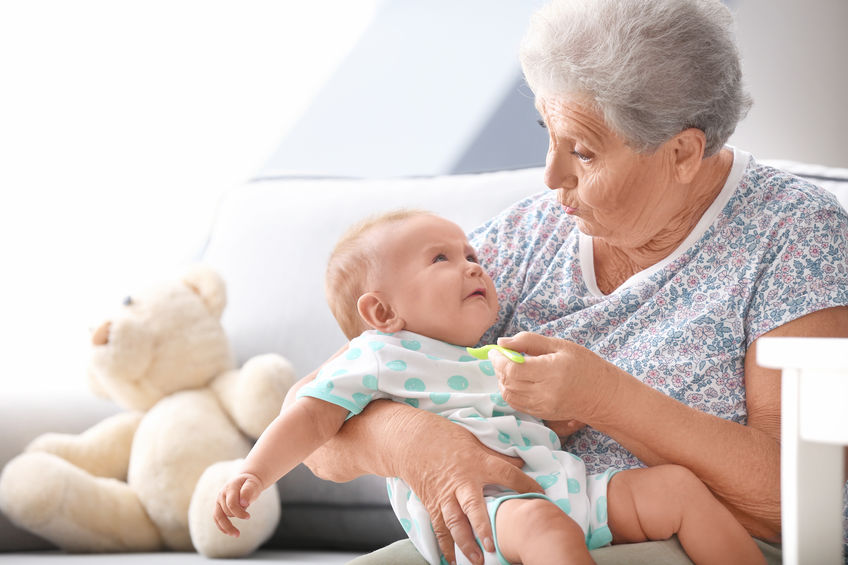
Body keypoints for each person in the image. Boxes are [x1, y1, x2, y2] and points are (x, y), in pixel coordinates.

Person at [285, 1, 848, 564]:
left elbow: (799, 497)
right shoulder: (527, 236)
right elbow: (316, 423)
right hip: (526, 536)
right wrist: (415, 442)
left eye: (582, 150)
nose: (550, 175)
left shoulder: (792, 235)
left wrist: (605, 398)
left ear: (682, 152)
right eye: (547, 133)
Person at [214, 210, 764, 565]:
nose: (475, 266)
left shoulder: (489, 355)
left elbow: (523, 426)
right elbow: (309, 418)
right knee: (548, 534)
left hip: (563, 486)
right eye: (442, 259)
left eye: (472, 257)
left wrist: (563, 414)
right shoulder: (375, 356)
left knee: (677, 489)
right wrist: (253, 473)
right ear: (380, 310)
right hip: (483, 515)